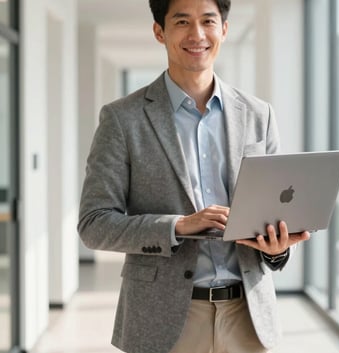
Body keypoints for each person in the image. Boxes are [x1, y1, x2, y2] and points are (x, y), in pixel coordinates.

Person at [78, 0, 310, 352]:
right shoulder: (122, 119)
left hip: (248, 317)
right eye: (183, 21)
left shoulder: (258, 115)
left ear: (224, 30)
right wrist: (178, 226)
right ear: (160, 31)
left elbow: (274, 211)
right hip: (163, 318)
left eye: (208, 21)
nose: (197, 34)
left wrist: (276, 250)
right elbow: (94, 224)